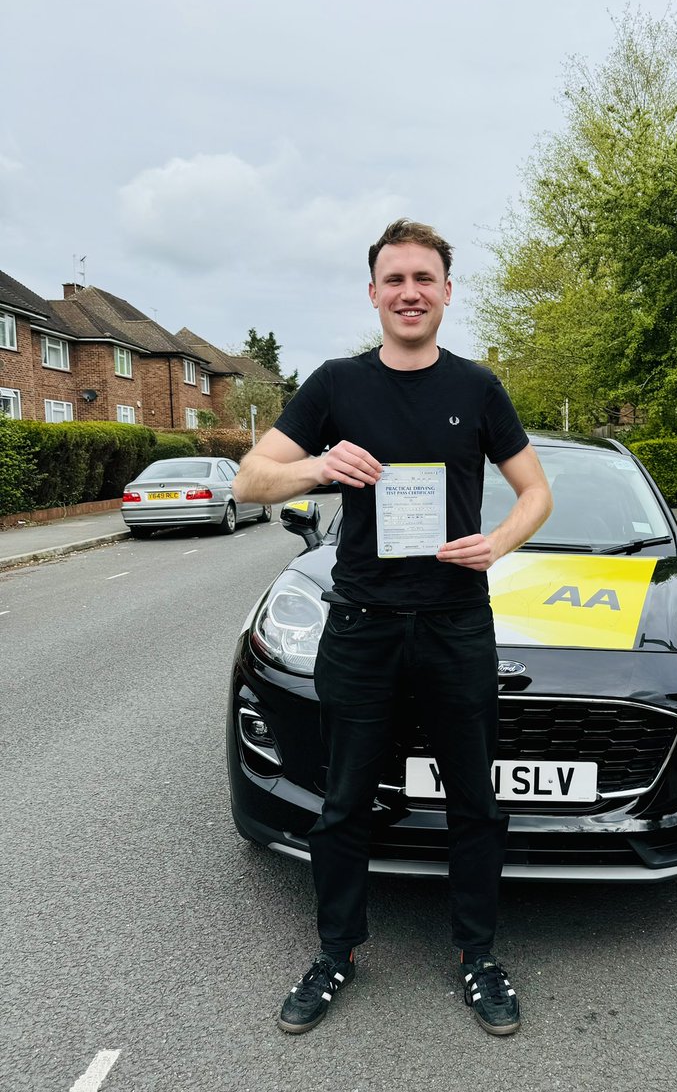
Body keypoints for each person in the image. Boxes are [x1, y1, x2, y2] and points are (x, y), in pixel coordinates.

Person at [233, 218, 552, 1037]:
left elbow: (535, 493)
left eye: (424, 279)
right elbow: (248, 479)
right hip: (364, 626)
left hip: (454, 623)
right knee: (343, 804)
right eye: (394, 280)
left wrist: (499, 542)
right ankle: (336, 951)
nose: (410, 293)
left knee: (474, 805)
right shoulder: (336, 385)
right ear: (373, 292)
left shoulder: (478, 387)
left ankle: (477, 955)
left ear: (447, 292)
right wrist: (316, 465)